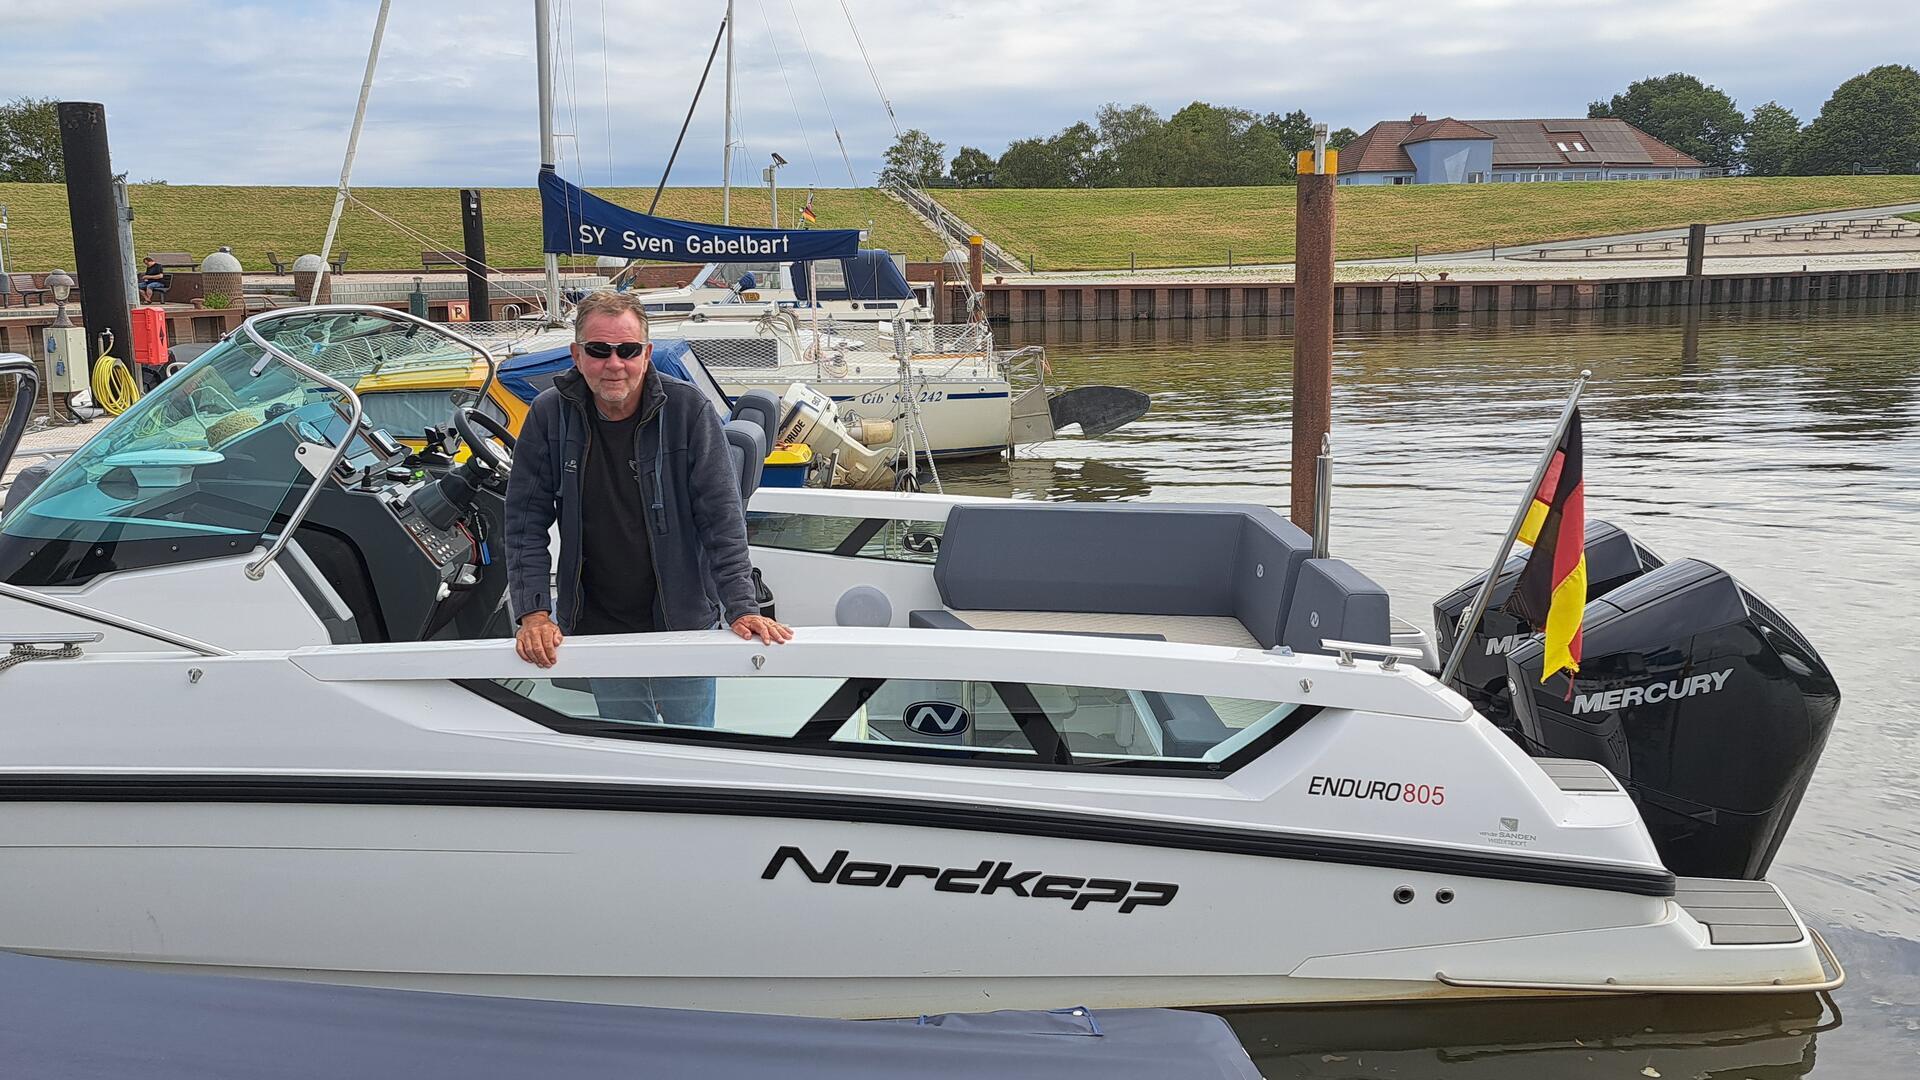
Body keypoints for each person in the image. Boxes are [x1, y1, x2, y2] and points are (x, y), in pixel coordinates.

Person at [504, 289, 791, 727]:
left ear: (647, 353)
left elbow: (721, 518)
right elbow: (524, 523)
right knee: (625, 743)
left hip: (684, 618)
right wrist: (535, 612)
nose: (614, 364)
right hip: (598, 622)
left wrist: (742, 607)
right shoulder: (548, 415)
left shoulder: (688, 410)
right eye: (599, 350)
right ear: (577, 355)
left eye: (628, 350)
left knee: (692, 743)